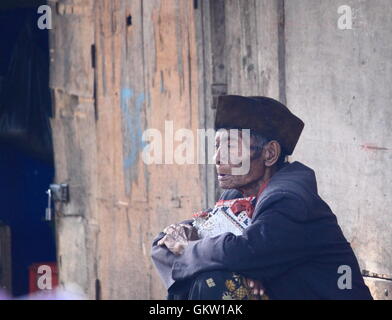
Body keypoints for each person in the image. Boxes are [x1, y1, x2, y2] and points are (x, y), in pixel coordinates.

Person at [151, 95, 373, 300]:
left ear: (270, 154)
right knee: (203, 273)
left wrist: (193, 250)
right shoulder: (237, 193)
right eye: (217, 146)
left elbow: (243, 253)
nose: (217, 158)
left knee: (212, 281)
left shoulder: (289, 198)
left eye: (230, 147)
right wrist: (185, 239)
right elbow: (162, 245)